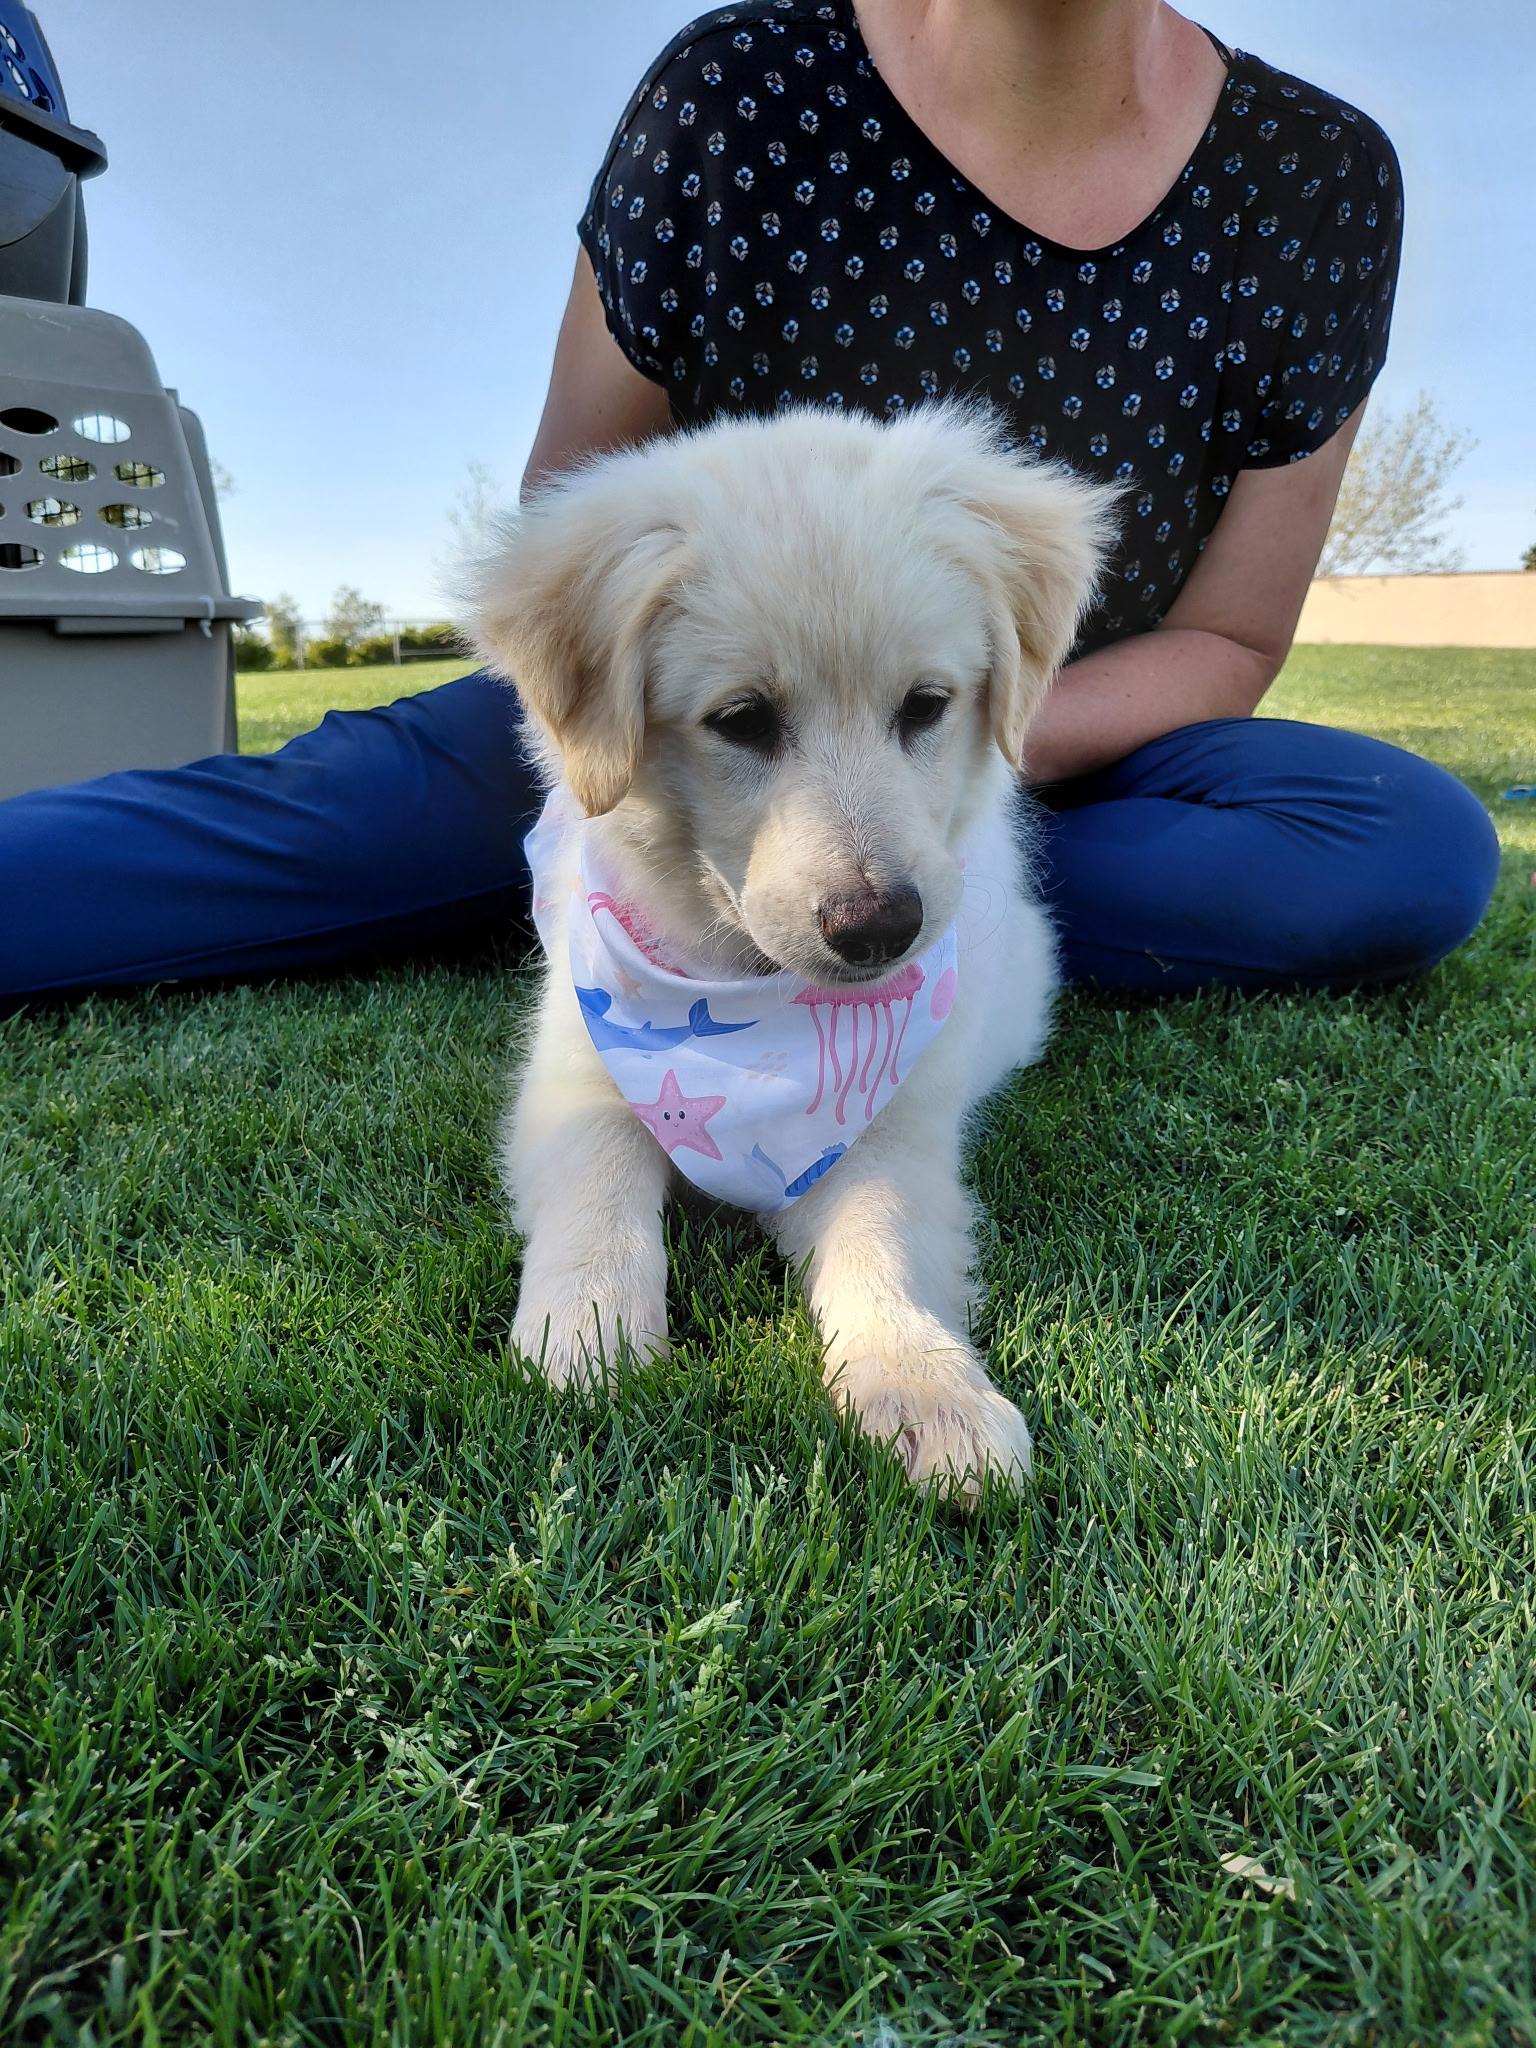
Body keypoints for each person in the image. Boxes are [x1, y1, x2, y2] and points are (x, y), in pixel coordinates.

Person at [0, 0, 1500, 1005]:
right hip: (676, 739)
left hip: (1043, 754)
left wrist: (940, 783)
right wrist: (672, 796)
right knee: (312, 830)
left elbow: (1231, 644)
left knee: (1404, 844)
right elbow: (567, 514)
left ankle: (725, 934)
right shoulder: (744, 95)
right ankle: (606, 898)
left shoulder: (1318, 182)